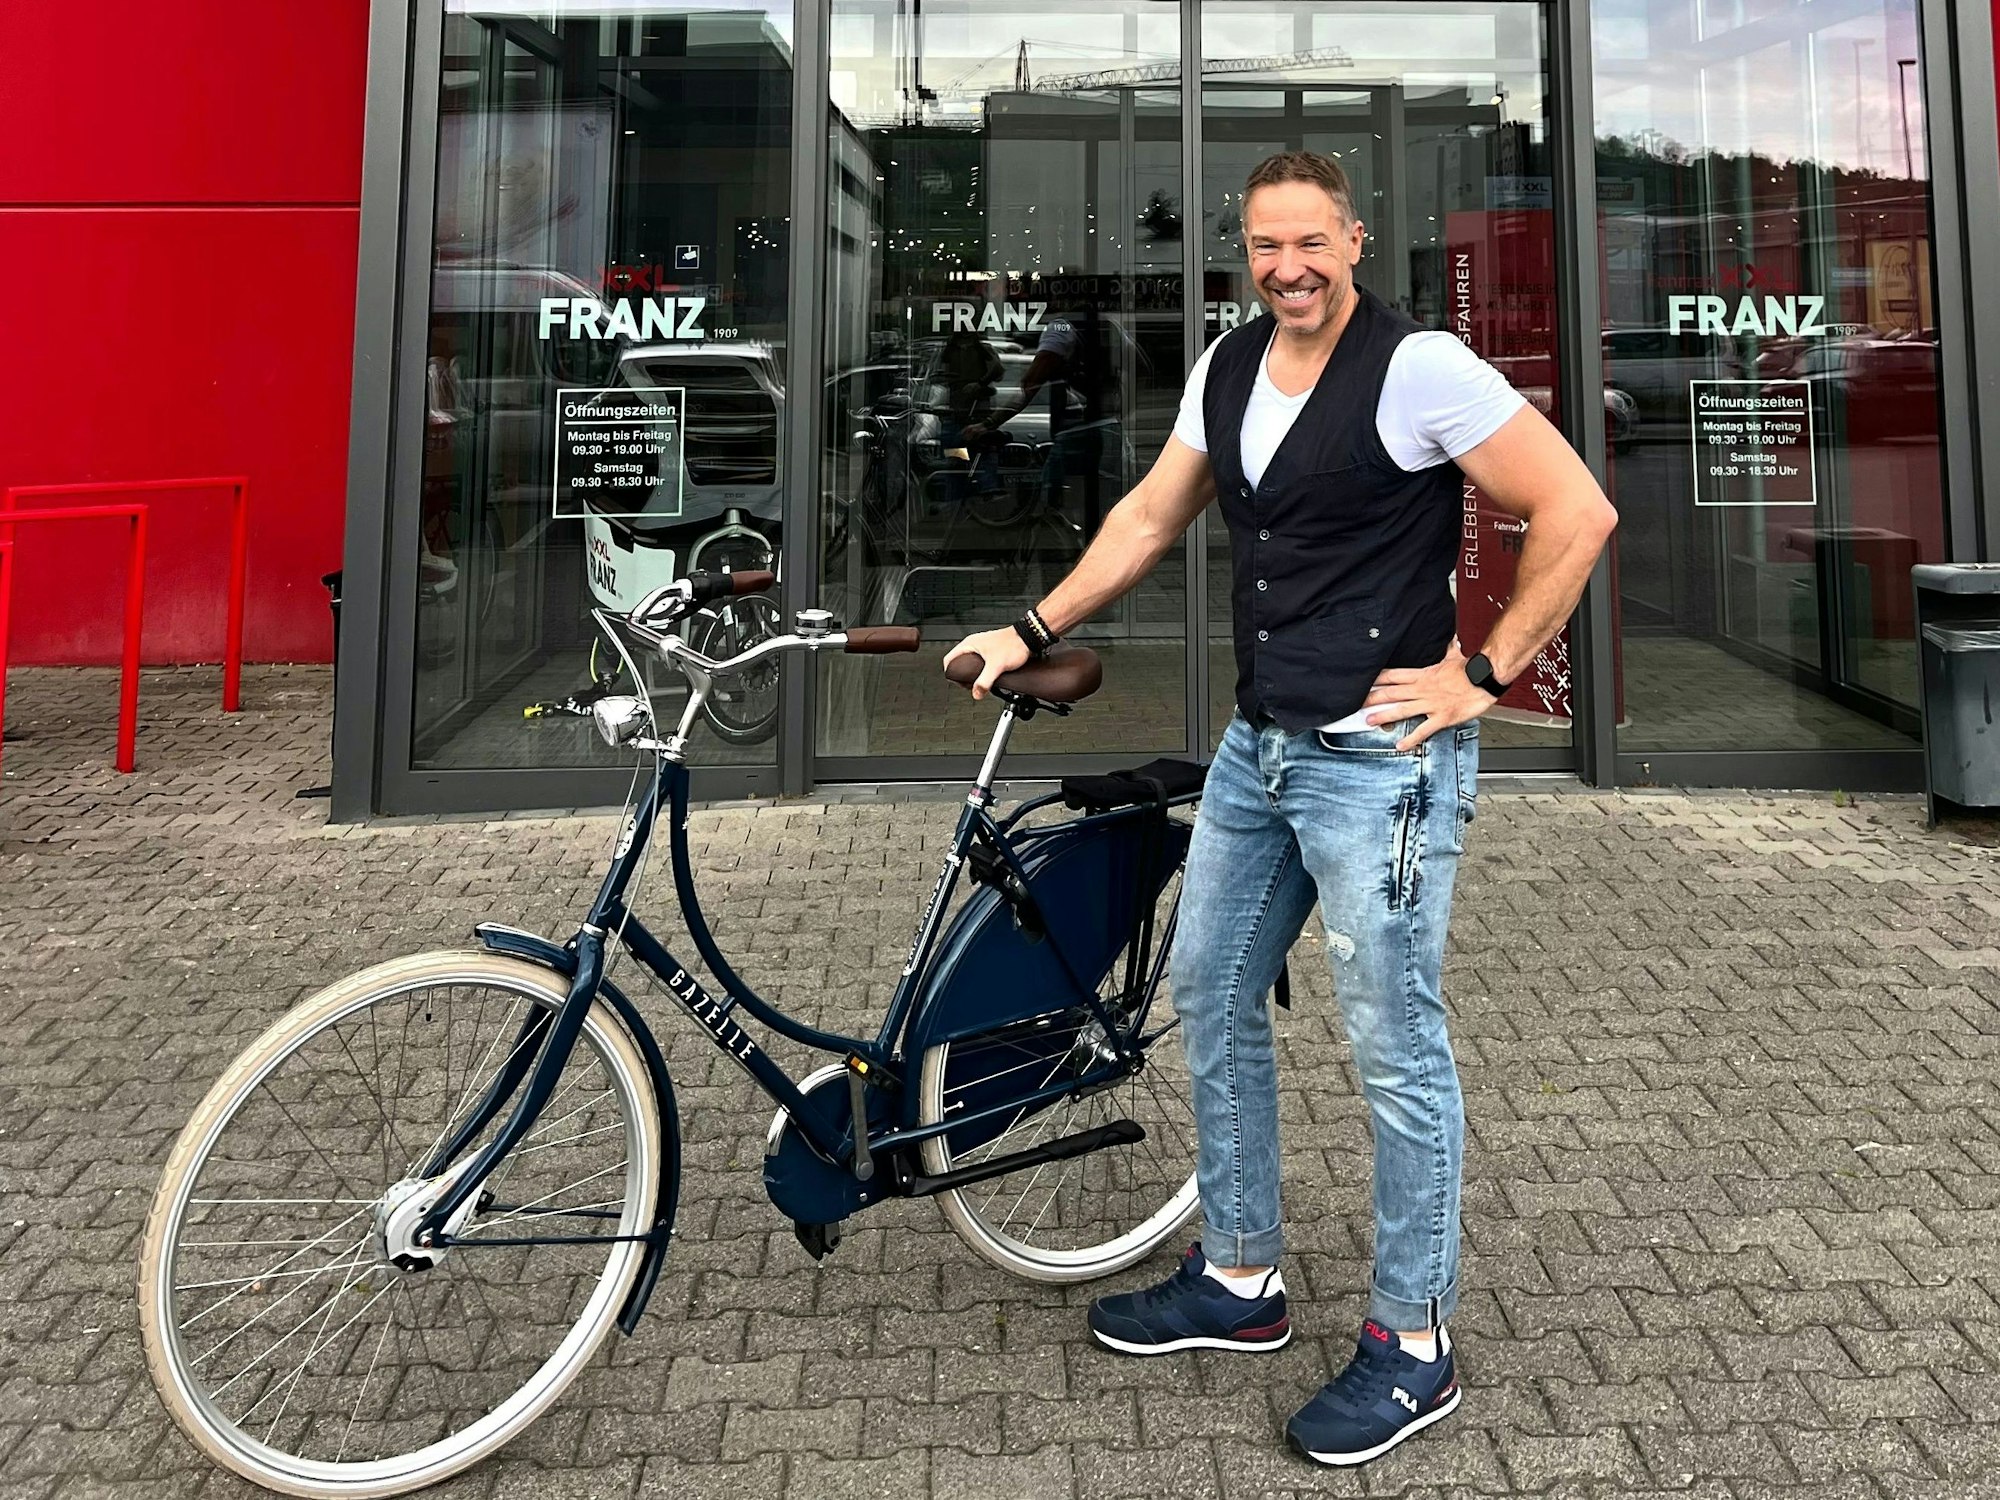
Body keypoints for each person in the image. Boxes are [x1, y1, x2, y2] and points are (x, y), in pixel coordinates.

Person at [943, 150, 1616, 1469]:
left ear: (1355, 240)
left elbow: (1575, 509)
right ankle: (1241, 1279)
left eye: (1310, 243)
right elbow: (1148, 514)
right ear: (1243, 252)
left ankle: (1414, 1345)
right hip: (1263, 749)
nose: (1288, 269)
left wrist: (1480, 675)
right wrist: (1030, 626)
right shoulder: (1230, 364)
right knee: (1207, 985)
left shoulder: (1419, 368)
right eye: (1264, 247)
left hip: (1381, 765)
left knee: (1393, 1048)